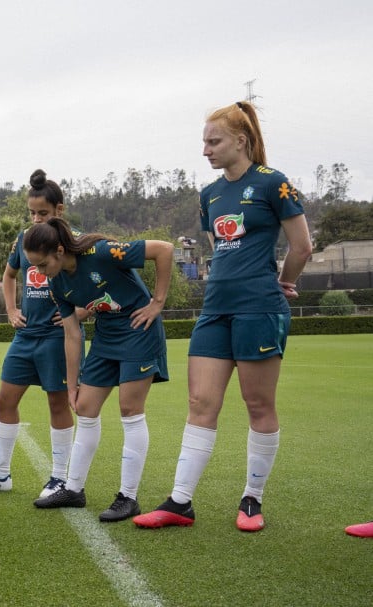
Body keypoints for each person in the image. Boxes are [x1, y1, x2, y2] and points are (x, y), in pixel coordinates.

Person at [133, 101, 312, 532]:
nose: (206, 150)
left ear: (240, 141)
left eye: (213, 141)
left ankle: (252, 498)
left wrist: (284, 284)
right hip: (214, 310)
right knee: (200, 403)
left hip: (259, 308)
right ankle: (180, 502)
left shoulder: (274, 184)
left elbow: (302, 246)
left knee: (258, 404)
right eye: (204, 142)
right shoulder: (208, 194)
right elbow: (218, 248)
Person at [22, 217, 173, 521]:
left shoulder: (103, 252)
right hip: (105, 336)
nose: (37, 273)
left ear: (60, 251)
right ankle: (74, 490)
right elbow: (72, 333)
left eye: (40, 264)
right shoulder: (56, 283)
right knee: (86, 408)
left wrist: (157, 302)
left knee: (130, 410)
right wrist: (72, 384)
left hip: (138, 329)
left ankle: (128, 497)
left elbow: (165, 250)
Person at [0, 170, 83, 502]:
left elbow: (95, 285)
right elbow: (9, 274)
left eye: (42, 213)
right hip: (26, 336)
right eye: (31, 213)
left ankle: (59, 478)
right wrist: (11, 310)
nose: (35, 219)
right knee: (5, 399)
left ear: (59, 210)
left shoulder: (76, 241)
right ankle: (0, 474)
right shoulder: (24, 239)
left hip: (57, 338)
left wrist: (81, 312)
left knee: (57, 402)